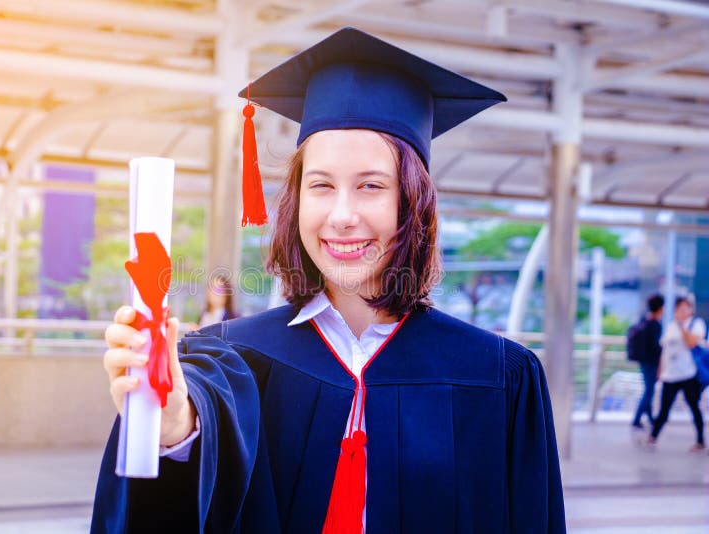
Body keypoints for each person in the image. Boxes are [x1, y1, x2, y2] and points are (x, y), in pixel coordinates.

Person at [92, 27, 565, 533]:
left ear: (413, 201)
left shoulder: (499, 377)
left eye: (370, 186)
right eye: (321, 186)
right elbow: (188, 459)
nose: (341, 215)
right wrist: (174, 430)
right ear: (296, 200)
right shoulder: (230, 358)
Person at [645, 296, 706, 452]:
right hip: (670, 375)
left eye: (686, 308)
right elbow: (665, 350)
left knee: (694, 407)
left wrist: (681, 326)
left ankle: (700, 441)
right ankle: (652, 437)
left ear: (691, 309)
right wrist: (660, 371)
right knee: (664, 408)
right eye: (679, 308)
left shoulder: (696, 324)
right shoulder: (670, 326)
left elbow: (691, 342)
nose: (683, 311)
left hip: (689, 374)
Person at [630, 293, 664, 429]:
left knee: (648, 389)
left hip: (644, 361)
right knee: (649, 391)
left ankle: (650, 418)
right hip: (652, 363)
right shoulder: (655, 325)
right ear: (661, 308)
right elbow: (654, 346)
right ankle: (637, 419)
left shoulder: (644, 320)